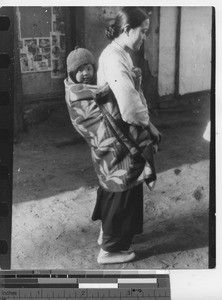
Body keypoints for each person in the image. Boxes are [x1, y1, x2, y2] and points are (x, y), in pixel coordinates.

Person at [92, 7, 162, 264]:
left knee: (114, 187)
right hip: (119, 134)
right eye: (142, 32)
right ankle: (110, 250)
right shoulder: (115, 58)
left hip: (113, 132)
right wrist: (146, 125)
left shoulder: (119, 53)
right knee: (123, 187)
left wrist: (149, 124)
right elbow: (130, 107)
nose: (145, 36)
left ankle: (107, 235)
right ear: (126, 29)